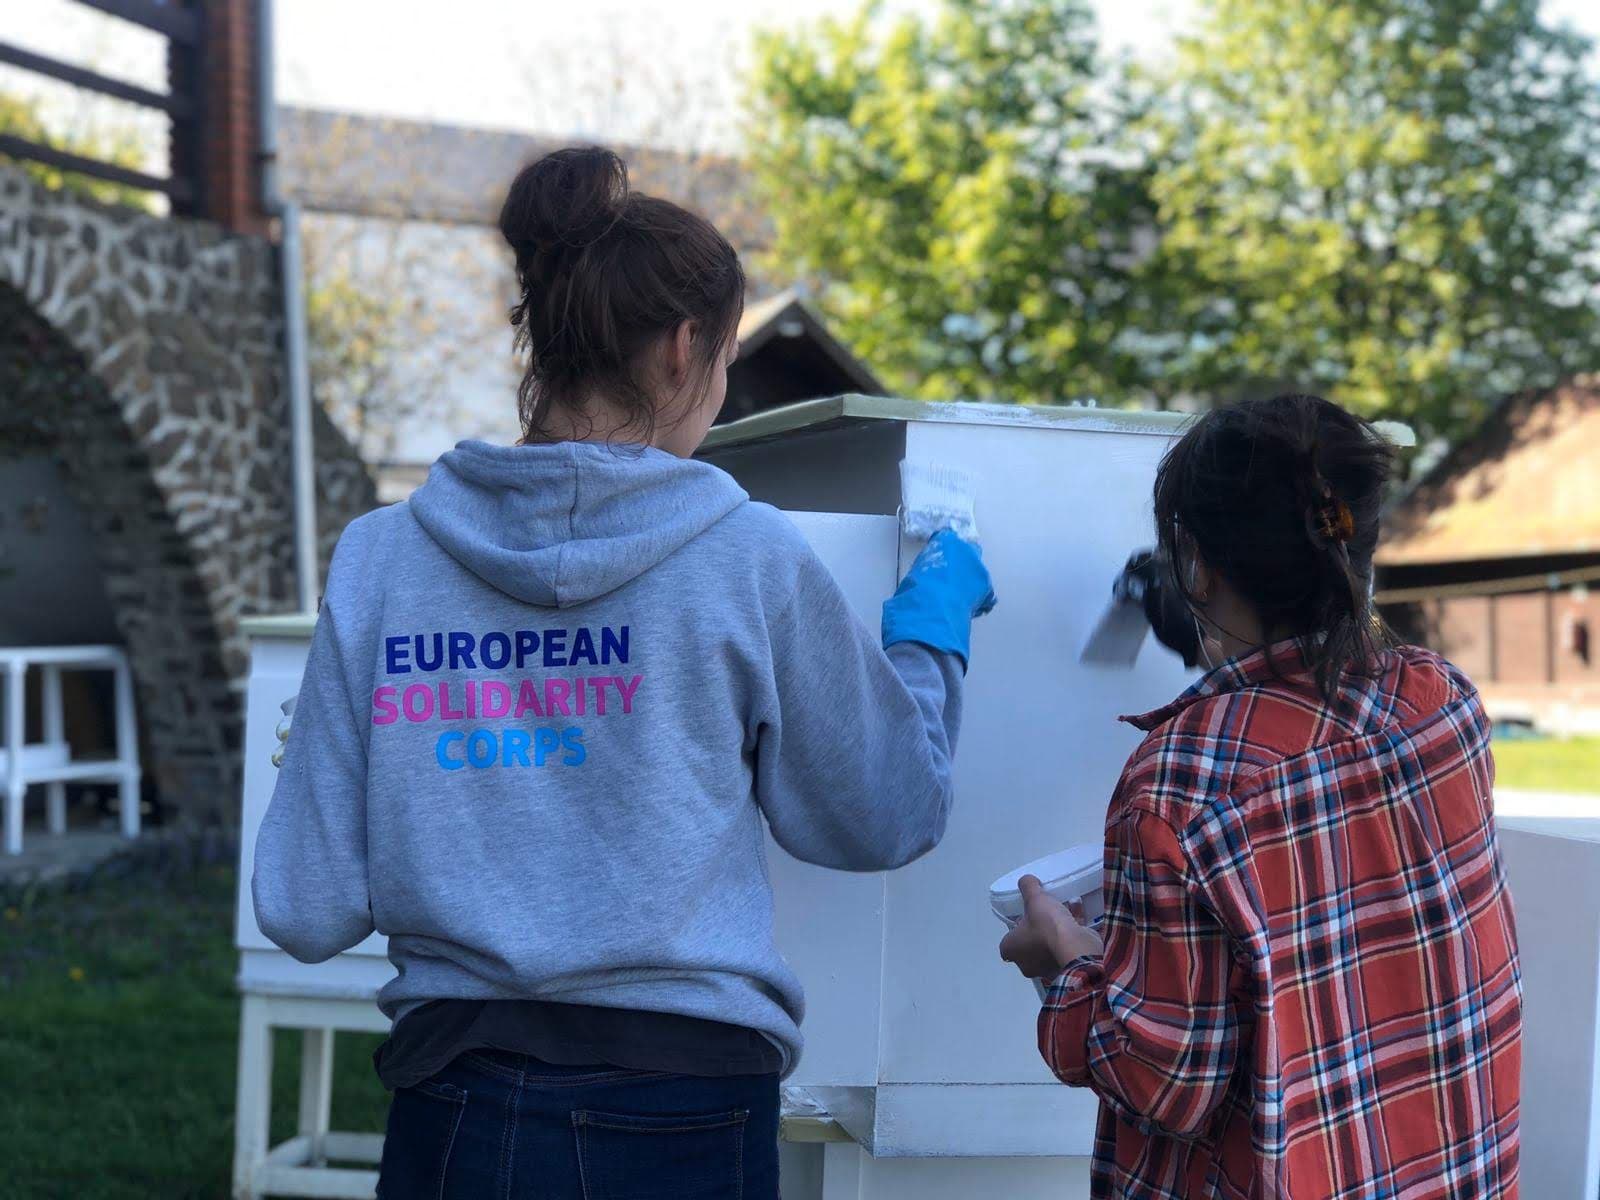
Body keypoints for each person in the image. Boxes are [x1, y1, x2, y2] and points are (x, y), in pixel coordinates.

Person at [253, 146, 995, 1199]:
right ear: (686, 348)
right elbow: (884, 810)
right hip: (686, 1109)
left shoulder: (383, 557)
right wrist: (930, 636)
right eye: (728, 357)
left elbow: (305, 904)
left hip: (456, 1107)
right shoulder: (747, 555)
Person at [1001, 394, 1521, 1198]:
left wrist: (1069, 966)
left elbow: (1166, 1084)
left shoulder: (1179, 786)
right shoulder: (1441, 704)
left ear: (1194, 564)